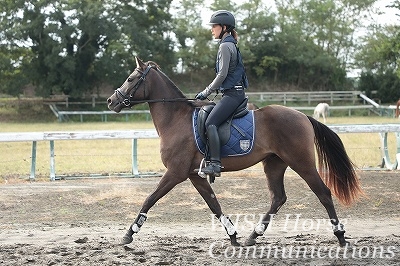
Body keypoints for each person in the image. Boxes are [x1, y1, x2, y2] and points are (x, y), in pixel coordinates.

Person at [195, 10, 249, 177]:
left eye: (214, 26)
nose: (212, 30)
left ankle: (216, 164)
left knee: (211, 122)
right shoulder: (229, 43)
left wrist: (206, 92)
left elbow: (222, 74)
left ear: (224, 27)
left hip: (233, 95)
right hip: (232, 93)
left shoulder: (225, 46)